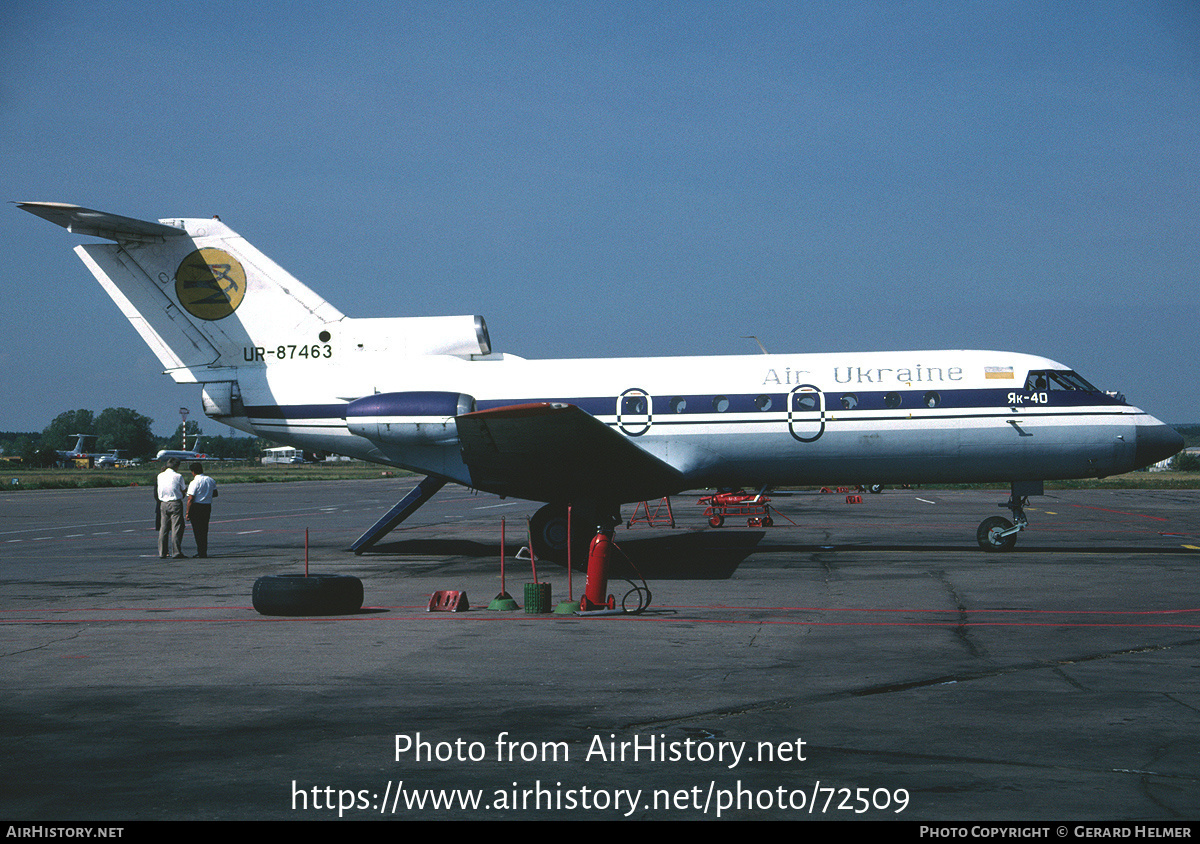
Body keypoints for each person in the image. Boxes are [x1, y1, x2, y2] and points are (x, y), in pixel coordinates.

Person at [186, 462, 218, 558]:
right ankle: (203, 550)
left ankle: (200, 551)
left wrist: (187, 512)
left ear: (193, 472)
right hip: (207, 506)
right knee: (204, 529)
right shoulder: (210, 480)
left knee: (197, 530)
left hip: (197, 507)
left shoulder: (194, 482)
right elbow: (215, 493)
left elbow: (190, 498)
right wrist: (206, 495)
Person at [156, 457, 187, 558]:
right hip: (175, 502)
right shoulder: (178, 476)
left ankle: (162, 552)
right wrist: (182, 495)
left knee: (164, 528)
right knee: (176, 527)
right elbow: (183, 489)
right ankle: (176, 551)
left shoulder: (160, 476)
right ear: (176, 466)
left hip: (163, 503)